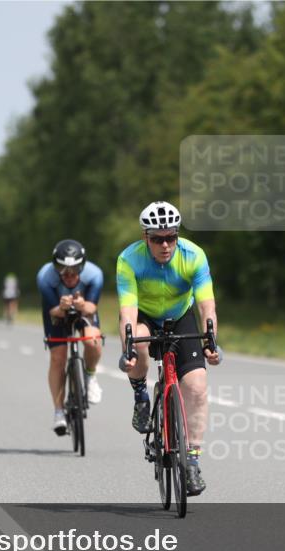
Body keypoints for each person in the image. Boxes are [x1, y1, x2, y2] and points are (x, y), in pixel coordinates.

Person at [117, 201, 221, 496]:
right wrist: (128, 348)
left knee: (198, 387)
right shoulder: (129, 259)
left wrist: (210, 341)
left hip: (181, 315)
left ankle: (192, 460)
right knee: (137, 344)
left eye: (171, 237)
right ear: (145, 237)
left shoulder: (193, 256)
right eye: (158, 238)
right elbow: (128, 309)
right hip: (145, 317)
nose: (165, 244)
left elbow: (206, 304)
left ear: (177, 235)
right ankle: (140, 396)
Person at [37, 240, 104, 435]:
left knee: (92, 340)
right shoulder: (45, 277)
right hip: (57, 312)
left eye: (75, 269)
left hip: (84, 310)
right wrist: (63, 307)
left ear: (82, 266)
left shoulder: (94, 275)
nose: (68, 275)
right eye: (62, 269)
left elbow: (92, 308)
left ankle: (90, 376)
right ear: (55, 267)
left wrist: (81, 305)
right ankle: (59, 412)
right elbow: (54, 311)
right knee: (58, 357)